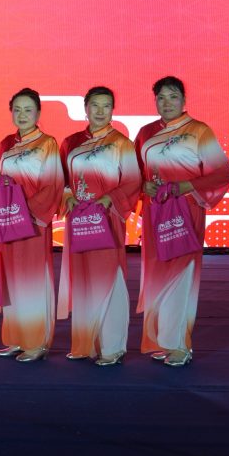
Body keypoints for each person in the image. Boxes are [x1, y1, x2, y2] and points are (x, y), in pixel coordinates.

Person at [135, 76, 229, 367]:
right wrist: (143, 186)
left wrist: (186, 186)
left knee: (182, 277)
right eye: (161, 98)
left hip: (186, 213)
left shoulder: (199, 131)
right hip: (155, 213)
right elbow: (133, 172)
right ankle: (162, 341)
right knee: (156, 275)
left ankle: (180, 345)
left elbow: (222, 173)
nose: (167, 103)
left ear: (184, 100)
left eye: (173, 97)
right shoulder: (145, 133)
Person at [57, 86, 141, 366]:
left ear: (113, 110)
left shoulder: (121, 143)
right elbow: (61, 179)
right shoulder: (70, 143)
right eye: (95, 105)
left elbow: (132, 181)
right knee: (83, 279)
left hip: (107, 219)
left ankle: (112, 347)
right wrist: (68, 196)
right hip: (79, 220)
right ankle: (86, 343)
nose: (100, 111)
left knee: (110, 277)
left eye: (106, 106)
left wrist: (109, 199)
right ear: (86, 108)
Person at [0, 88, 64, 362]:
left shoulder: (47, 144)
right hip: (9, 220)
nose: (22, 115)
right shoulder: (6, 143)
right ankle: (15, 338)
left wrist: (25, 210)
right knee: (11, 279)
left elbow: (53, 184)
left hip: (33, 222)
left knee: (33, 280)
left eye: (28, 110)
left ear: (38, 113)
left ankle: (36, 342)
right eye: (17, 110)